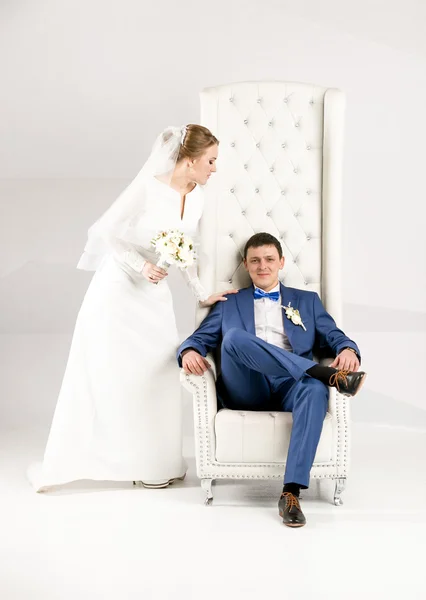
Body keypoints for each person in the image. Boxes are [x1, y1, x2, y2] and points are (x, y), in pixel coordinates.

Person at [29, 124, 237, 491]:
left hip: (153, 294)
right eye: (211, 160)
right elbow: (107, 231)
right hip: (119, 288)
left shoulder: (198, 196)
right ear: (189, 160)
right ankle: (104, 459)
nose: (214, 168)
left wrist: (200, 292)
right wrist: (140, 266)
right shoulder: (149, 188)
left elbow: (184, 250)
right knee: (111, 373)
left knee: (156, 374)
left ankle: (156, 462)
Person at [177, 232, 366, 527]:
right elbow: (199, 339)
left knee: (315, 391)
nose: (261, 266)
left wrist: (346, 348)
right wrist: (188, 350)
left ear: (281, 262)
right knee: (235, 338)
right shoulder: (230, 302)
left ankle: (290, 494)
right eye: (254, 261)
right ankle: (325, 375)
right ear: (246, 265)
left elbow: (334, 335)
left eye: (268, 259)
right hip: (247, 386)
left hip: (291, 385)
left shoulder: (307, 301)